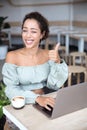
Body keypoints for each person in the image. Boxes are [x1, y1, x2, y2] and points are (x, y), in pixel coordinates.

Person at [2, 11, 68, 111]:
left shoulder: (48, 54)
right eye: (25, 30)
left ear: (42, 34)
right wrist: (36, 98)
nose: (28, 35)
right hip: (22, 104)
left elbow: (54, 85)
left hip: (45, 100)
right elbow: (11, 89)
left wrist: (58, 62)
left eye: (33, 31)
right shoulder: (12, 56)